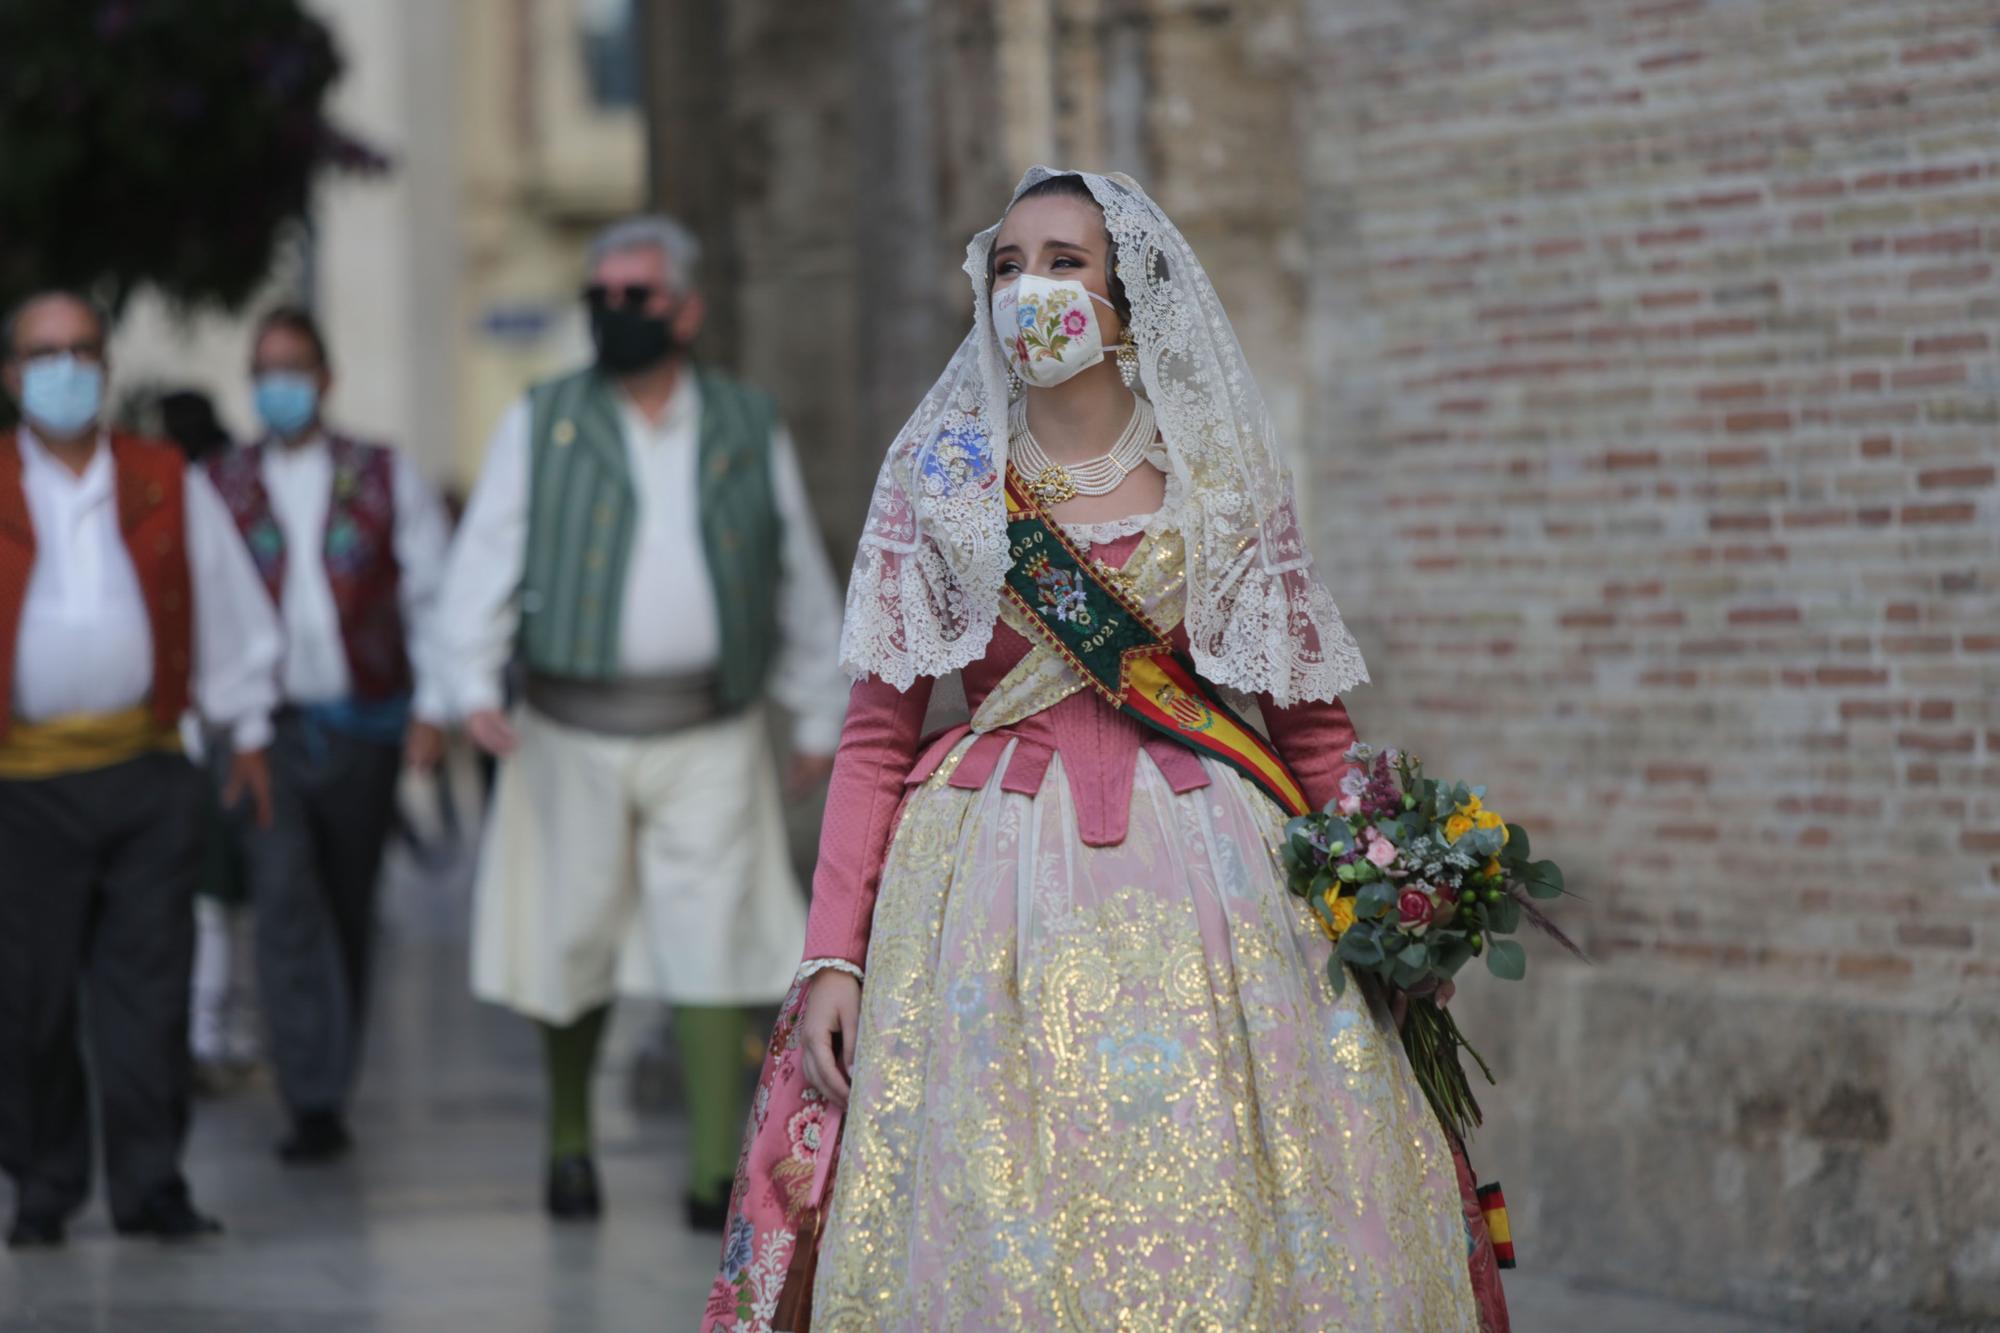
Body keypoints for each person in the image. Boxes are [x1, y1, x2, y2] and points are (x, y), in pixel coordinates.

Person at [703, 171, 1512, 1332]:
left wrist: (1391, 904)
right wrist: (832, 955)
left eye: (1064, 262)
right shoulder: (938, 480)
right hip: (982, 893)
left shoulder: (1218, 478)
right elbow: (877, 740)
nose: (1030, 288)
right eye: (1007, 264)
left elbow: (1311, 728)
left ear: (1128, 302)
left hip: (1216, 885)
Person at [436, 216, 847, 1228]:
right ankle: (569, 1143)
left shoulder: (747, 423)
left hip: (709, 722)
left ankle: (713, 1170)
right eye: (601, 297)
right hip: (569, 726)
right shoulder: (544, 419)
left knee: (711, 934)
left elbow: (792, 567)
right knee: (567, 931)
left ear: (686, 309)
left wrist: (815, 706)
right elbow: (485, 556)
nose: (614, 313)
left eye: (636, 296)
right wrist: (468, 682)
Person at [0, 291, 281, 1248]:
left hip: (146, 769)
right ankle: (43, 1183)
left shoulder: (163, 476)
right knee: (27, 998)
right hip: (21, 781)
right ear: (11, 374)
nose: (66, 368)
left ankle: (150, 1182)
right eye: (45, 353)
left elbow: (229, 605)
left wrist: (245, 731)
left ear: (106, 368)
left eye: (83, 349)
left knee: (151, 994)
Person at [204, 307, 452, 1164]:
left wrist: (434, 707)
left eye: (294, 366)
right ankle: (308, 1097)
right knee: (281, 899)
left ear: (326, 375)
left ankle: (333, 1076)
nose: (280, 384)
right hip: (263, 730)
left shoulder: (380, 473)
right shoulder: (220, 483)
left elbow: (430, 589)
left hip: (365, 725)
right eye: (265, 369)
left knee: (347, 901)